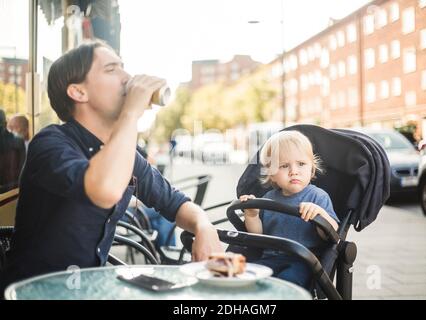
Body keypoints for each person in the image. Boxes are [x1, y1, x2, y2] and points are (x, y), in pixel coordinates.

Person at [0, 41, 222, 295]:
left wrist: (204, 225)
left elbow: (175, 203)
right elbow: (102, 190)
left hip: (91, 289)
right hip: (35, 291)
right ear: (78, 92)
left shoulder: (125, 154)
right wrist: (130, 115)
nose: (126, 77)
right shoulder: (50, 143)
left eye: (123, 68)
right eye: (111, 69)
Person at [239, 130, 339, 288]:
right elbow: (257, 236)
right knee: (250, 281)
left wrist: (319, 215)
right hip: (270, 257)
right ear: (271, 174)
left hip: (303, 260)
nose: (294, 171)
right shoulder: (267, 199)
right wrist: (252, 215)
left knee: (286, 284)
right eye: (284, 166)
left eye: (301, 164)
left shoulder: (318, 197)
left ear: (312, 168)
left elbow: (333, 234)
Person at [0, 109, 26, 194]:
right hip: (13, 191)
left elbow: (22, 170)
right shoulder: (18, 141)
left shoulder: (18, 141)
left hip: (12, 191)